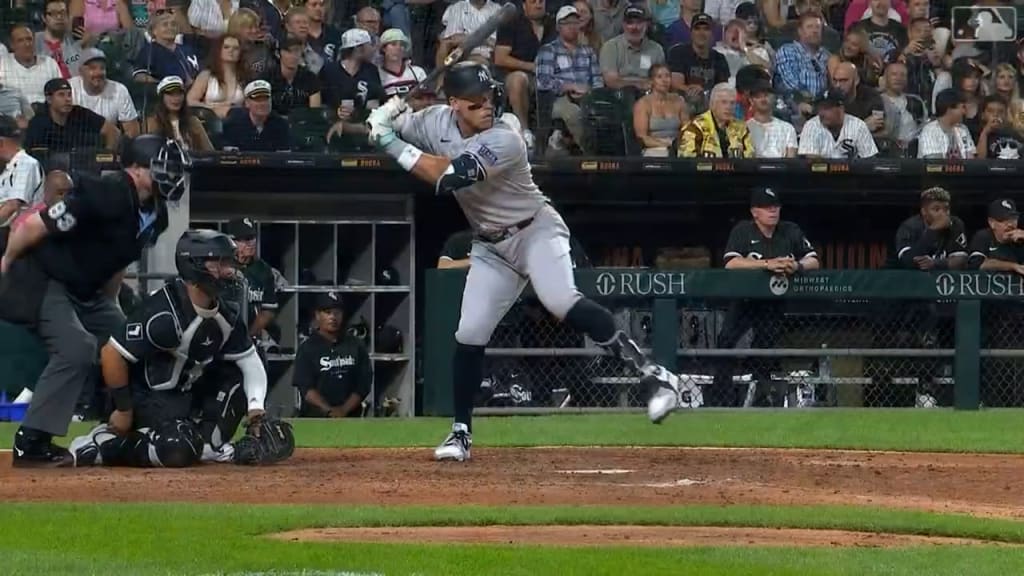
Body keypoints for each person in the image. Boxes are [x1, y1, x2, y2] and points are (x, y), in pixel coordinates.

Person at [366, 61, 691, 462]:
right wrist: (385, 116)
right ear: (453, 104)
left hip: (535, 229)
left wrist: (388, 139)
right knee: (469, 333)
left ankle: (657, 378)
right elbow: (390, 133)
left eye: (489, 99)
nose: (486, 107)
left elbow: (446, 175)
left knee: (559, 299)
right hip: (491, 245)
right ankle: (460, 433)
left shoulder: (506, 136)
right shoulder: (433, 122)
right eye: (474, 103)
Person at [0, 135, 190, 467]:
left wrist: (112, 310)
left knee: (131, 340)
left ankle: (129, 421)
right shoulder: (105, 192)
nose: (171, 176)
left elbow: (116, 263)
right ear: (136, 169)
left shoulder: (156, 215)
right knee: (76, 347)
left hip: (87, 289)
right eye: (161, 167)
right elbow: (34, 224)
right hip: (42, 276)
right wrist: (5, 262)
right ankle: (31, 441)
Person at [66, 229, 286, 468]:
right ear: (195, 265)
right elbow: (111, 353)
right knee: (177, 448)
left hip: (185, 394)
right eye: (220, 263)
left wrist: (256, 411)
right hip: (146, 398)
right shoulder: (163, 313)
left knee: (238, 374)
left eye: (229, 263)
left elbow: (250, 362)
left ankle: (209, 448)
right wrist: (123, 410)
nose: (230, 271)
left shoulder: (226, 315)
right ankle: (101, 445)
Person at [713, 186, 819, 407]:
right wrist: (766, 264)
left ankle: (762, 398)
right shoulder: (743, 230)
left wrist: (796, 265)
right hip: (744, 299)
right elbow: (731, 263)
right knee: (725, 342)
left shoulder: (790, 230)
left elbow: (814, 260)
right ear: (755, 212)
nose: (773, 211)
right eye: (767, 207)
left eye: (776, 206)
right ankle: (721, 399)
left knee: (766, 347)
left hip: (773, 302)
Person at [293, 291, 372, 417]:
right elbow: (306, 388)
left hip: (350, 418)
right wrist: (329, 410)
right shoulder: (307, 348)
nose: (333, 317)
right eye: (327, 312)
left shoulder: (356, 345)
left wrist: (344, 410)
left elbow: (363, 385)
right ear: (318, 315)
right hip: (315, 419)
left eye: (337, 312)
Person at [893, 186, 967, 271]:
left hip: (944, 281)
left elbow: (961, 262)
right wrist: (932, 231)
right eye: (936, 209)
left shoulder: (955, 224)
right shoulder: (909, 226)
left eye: (946, 209)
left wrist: (935, 263)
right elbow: (907, 261)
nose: (942, 214)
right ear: (924, 212)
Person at [968, 199, 1024, 272]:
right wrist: (1013, 266)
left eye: (1013, 219)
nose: (1010, 224)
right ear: (992, 223)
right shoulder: (983, 236)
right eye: (1003, 220)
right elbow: (977, 264)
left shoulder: (1020, 238)